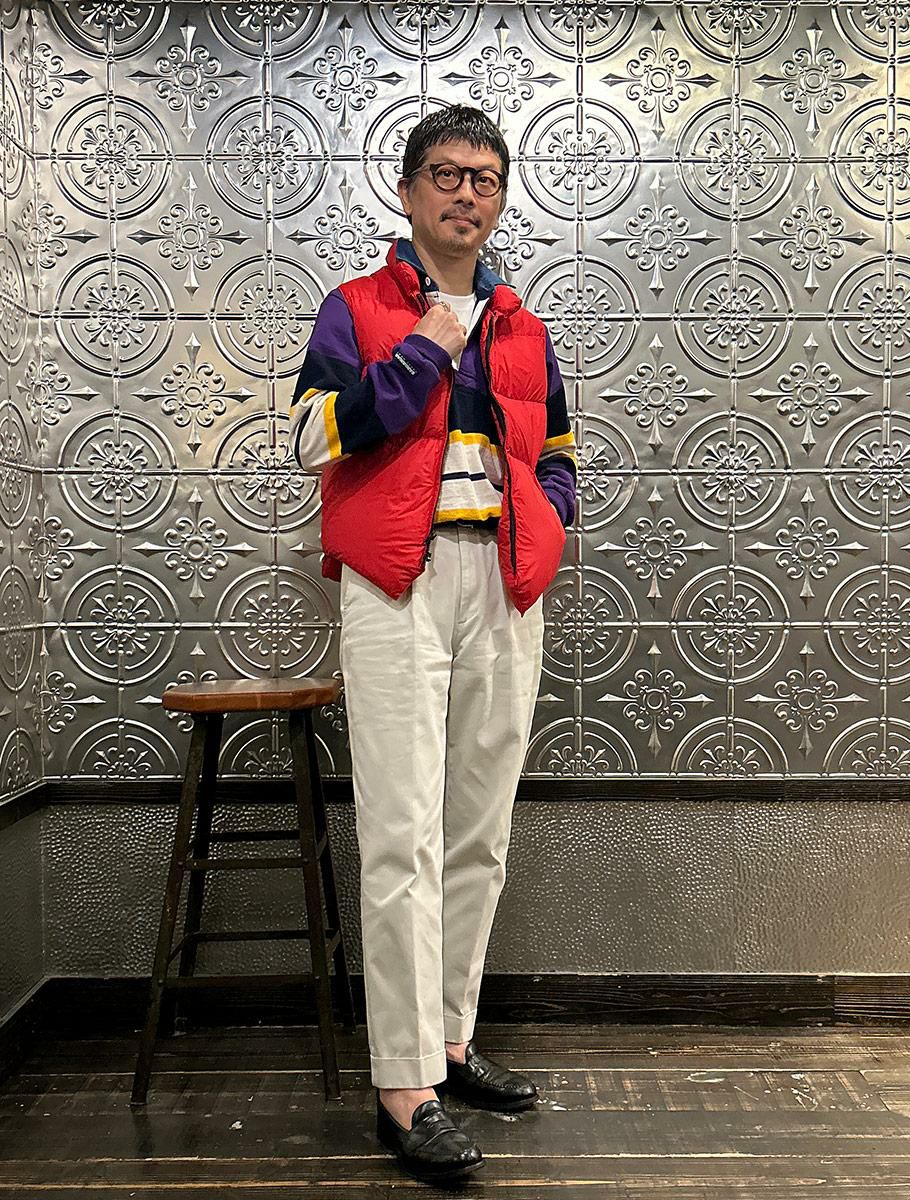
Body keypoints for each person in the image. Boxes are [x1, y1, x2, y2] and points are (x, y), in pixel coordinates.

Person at [287, 105, 576, 1183]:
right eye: (447, 174)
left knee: (479, 832)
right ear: (407, 191)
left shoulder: (525, 328)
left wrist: (543, 518)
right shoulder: (357, 309)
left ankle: (450, 1043)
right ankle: (403, 1088)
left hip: (503, 581)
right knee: (401, 835)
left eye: (485, 178)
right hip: (396, 585)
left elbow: (561, 456)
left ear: (500, 198)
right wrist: (421, 353)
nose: (467, 193)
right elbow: (311, 436)